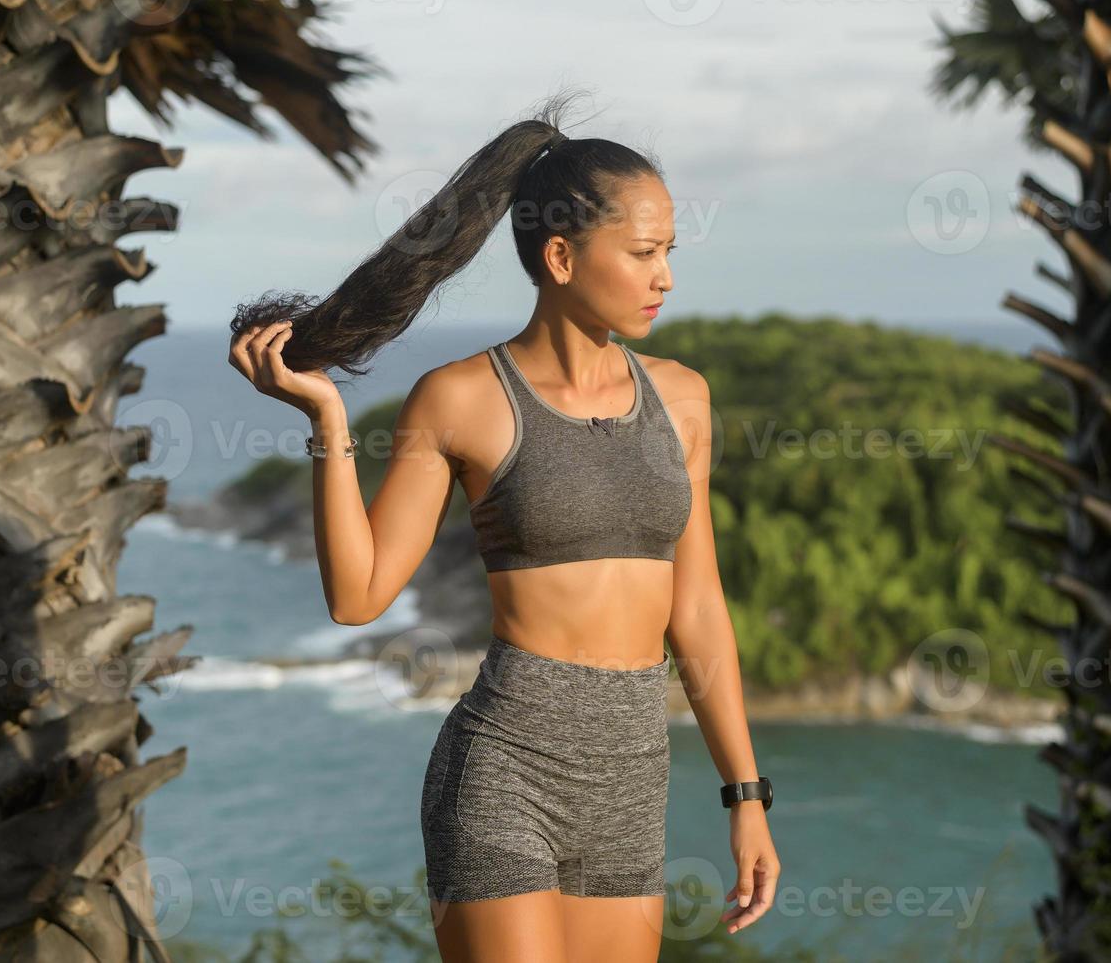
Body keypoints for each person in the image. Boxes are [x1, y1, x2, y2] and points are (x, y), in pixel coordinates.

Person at [227, 89, 778, 962]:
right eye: (641, 253)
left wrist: (744, 795)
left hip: (631, 777)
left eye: (668, 251)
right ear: (560, 255)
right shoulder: (459, 400)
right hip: (503, 769)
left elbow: (698, 606)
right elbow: (360, 597)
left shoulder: (683, 399)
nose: (663, 276)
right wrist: (327, 426)